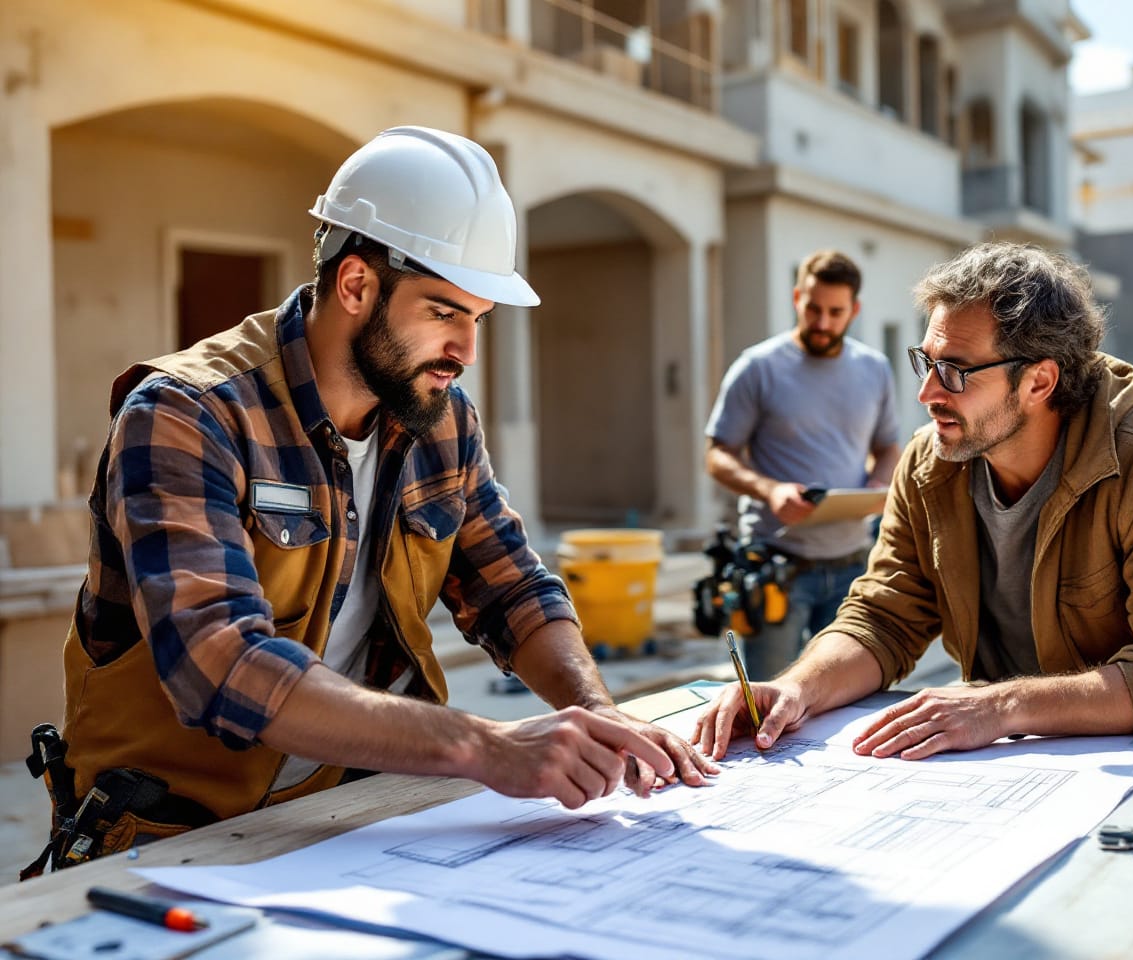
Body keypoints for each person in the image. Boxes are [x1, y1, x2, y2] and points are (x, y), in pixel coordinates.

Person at [27, 127, 712, 876]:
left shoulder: (437, 420)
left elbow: (513, 587)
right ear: (356, 286)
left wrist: (596, 709)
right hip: (172, 840)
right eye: (445, 313)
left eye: (477, 320)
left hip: (349, 819)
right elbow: (220, 664)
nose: (467, 352)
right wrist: (485, 747)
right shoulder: (188, 415)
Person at [693, 243, 1133, 762]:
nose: (927, 393)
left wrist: (1002, 705)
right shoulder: (931, 464)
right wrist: (799, 688)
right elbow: (883, 618)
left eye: (955, 372)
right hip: (1026, 764)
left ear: (1038, 382)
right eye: (926, 361)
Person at [704, 250, 901, 681]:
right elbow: (717, 455)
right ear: (796, 297)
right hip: (777, 567)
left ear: (855, 310)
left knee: (844, 696)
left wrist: (880, 483)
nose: (824, 323)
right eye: (813, 309)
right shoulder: (758, 367)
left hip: (854, 565)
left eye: (836, 312)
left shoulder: (875, 369)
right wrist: (770, 490)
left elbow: (888, 446)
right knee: (766, 697)